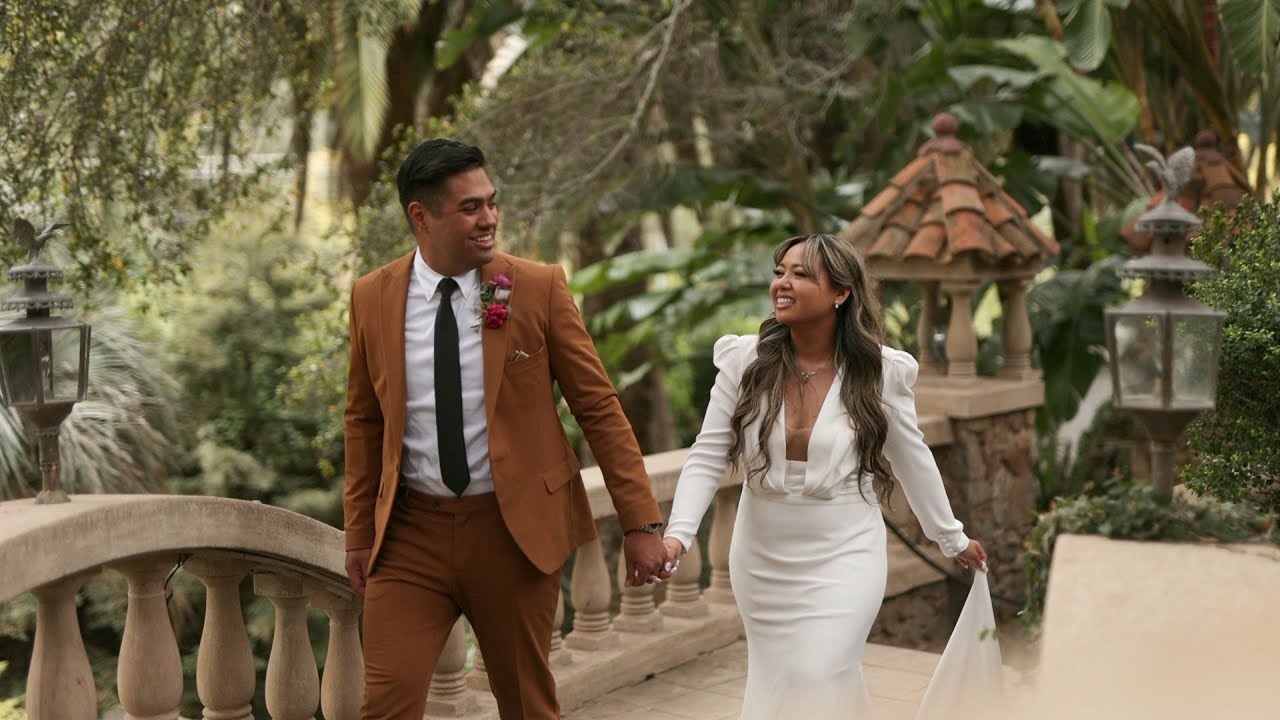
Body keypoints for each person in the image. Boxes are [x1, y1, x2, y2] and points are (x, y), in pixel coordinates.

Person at [343, 138, 669, 720]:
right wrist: (359, 531)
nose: (489, 218)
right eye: (470, 207)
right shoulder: (373, 296)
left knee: (525, 705)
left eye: (491, 202)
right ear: (421, 216)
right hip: (410, 536)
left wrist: (641, 521)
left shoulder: (536, 287)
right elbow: (363, 419)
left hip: (512, 532)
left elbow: (597, 406)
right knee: (384, 707)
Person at [662, 233, 988, 718]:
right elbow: (708, 454)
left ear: (841, 293)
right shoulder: (744, 362)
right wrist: (679, 534)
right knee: (787, 683)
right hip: (761, 559)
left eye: (800, 274)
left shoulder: (879, 372)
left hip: (844, 553)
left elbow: (912, 459)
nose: (782, 283)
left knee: (813, 674)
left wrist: (951, 536)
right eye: (780, 272)